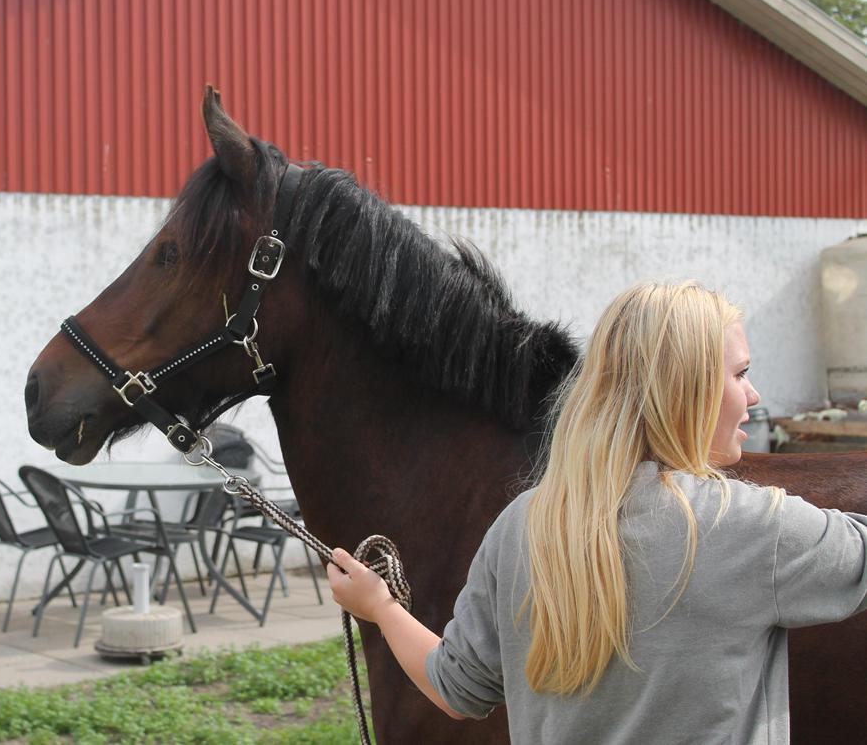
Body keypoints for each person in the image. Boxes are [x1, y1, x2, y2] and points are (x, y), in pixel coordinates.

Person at [327, 281, 867, 743]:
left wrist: (380, 608)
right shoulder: (754, 528)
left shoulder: (521, 525)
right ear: (689, 389)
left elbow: (455, 688)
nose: (752, 395)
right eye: (739, 373)